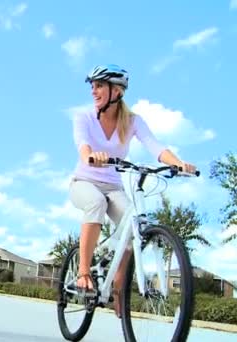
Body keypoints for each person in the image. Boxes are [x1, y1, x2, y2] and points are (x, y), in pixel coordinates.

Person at [68, 64, 197, 317]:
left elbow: (155, 146)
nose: (94, 91)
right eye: (92, 86)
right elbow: (83, 146)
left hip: (113, 185)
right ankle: (84, 272)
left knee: (133, 223)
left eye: (99, 86)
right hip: (84, 182)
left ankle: (119, 288)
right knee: (96, 203)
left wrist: (178, 163)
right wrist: (92, 155)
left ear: (116, 91)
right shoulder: (83, 117)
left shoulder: (132, 121)